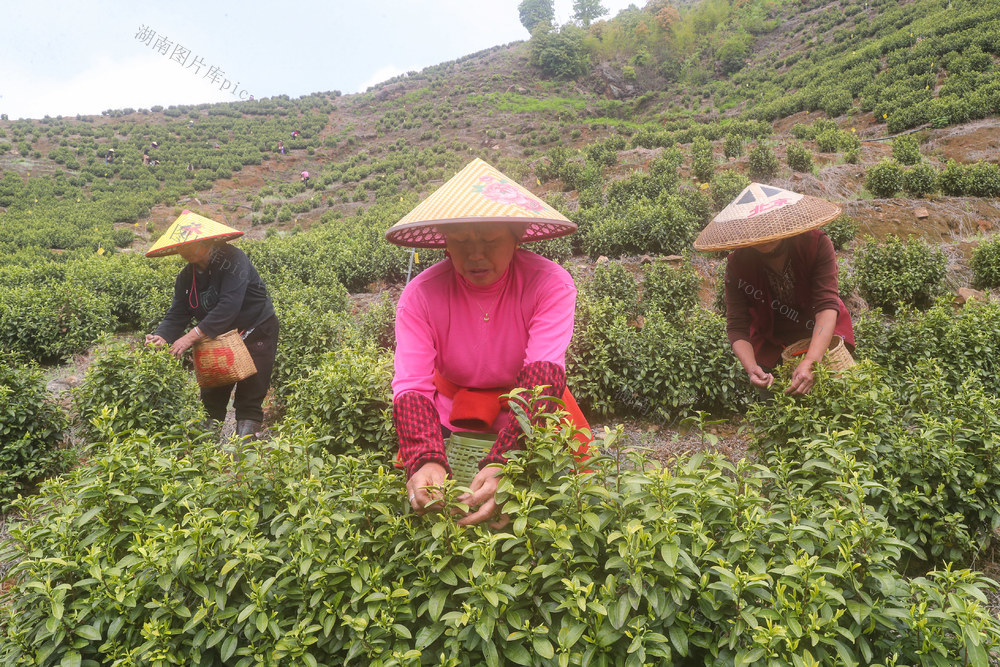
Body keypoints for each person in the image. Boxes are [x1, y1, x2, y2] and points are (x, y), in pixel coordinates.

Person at [385, 158, 590, 527]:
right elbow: (412, 385)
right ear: (444, 243)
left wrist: (505, 461)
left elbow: (542, 377)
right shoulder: (421, 295)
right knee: (439, 511)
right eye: (461, 241)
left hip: (527, 407)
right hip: (451, 409)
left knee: (548, 511)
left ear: (517, 236)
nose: (475, 254)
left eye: (491, 240)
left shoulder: (550, 283)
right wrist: (424, 456)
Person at [694, 183, 855, 396]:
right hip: (773, 344)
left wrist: (811, 361)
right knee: (779, 406)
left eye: (768, 224)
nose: (764, 235)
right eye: (755, 226)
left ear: (782, 218)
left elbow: (826, 305)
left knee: (840, 397)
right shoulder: (738, 265)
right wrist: (751, 367)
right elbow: (736, 326)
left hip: (822, 334)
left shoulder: (815, 244)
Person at [144, 210, 279, 439]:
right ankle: (207, 452)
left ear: (206, 240)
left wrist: (188, 338)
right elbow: (178, 312)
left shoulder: (233, 259)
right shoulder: (186, 277)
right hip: (218, 336)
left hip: (256, 330)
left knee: (250, 393)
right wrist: (161, 336)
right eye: (180, 246)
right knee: (212, 394)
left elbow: (229, 306)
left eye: (189, 244)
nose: (183, 251)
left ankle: (244, 454)